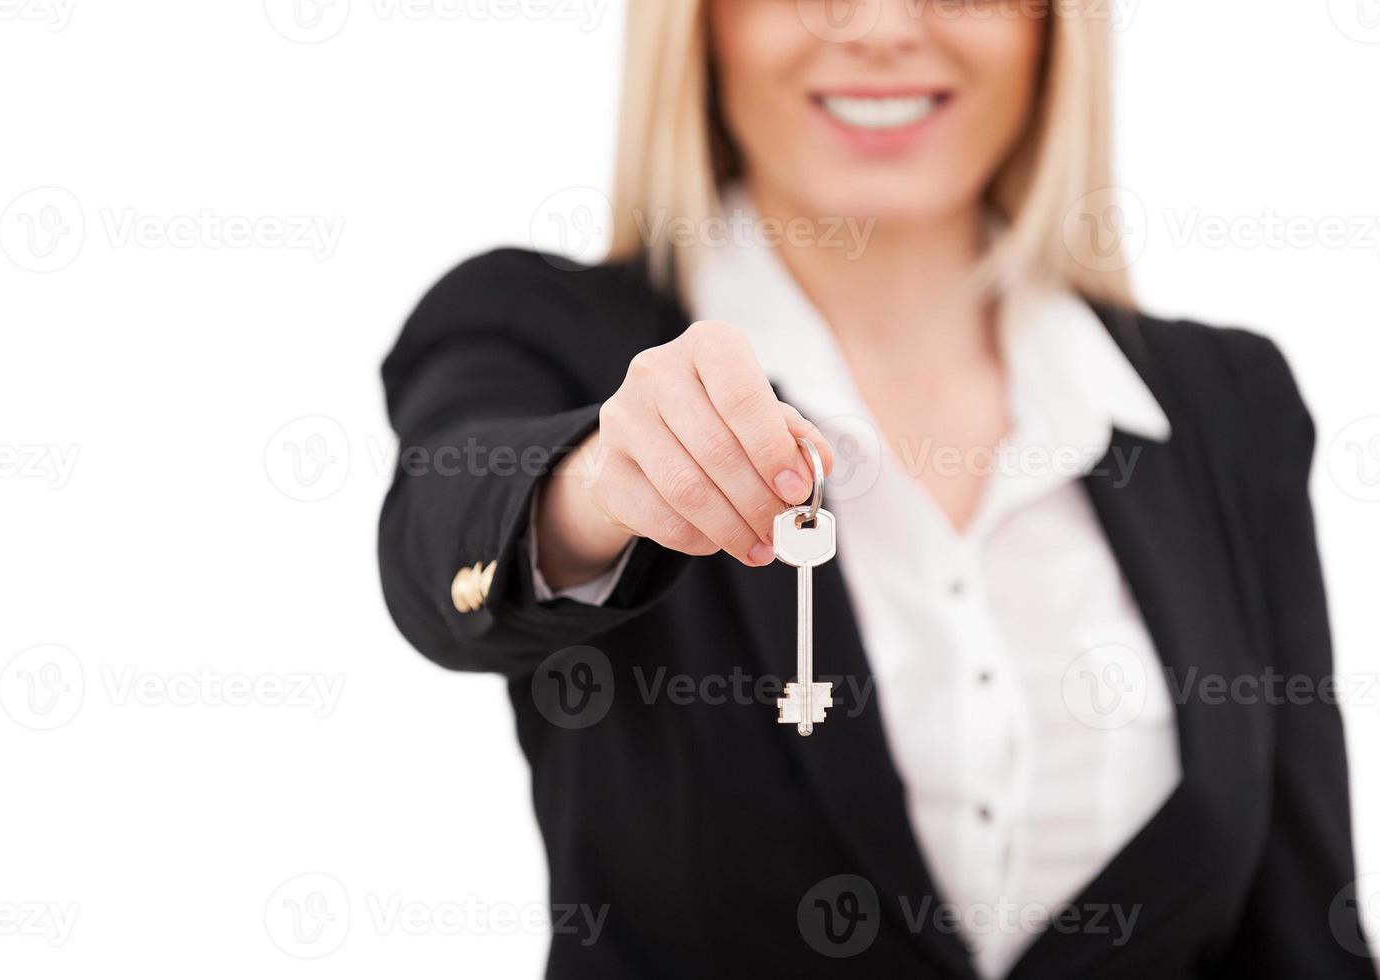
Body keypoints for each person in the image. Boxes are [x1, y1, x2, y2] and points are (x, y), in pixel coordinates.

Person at [377, 1, 1374, 976]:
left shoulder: (1224, 408)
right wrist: (599, 485)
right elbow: (444, 537)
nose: (885, 26)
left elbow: (1301, 930)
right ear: (702, 22)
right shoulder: (539, 328)